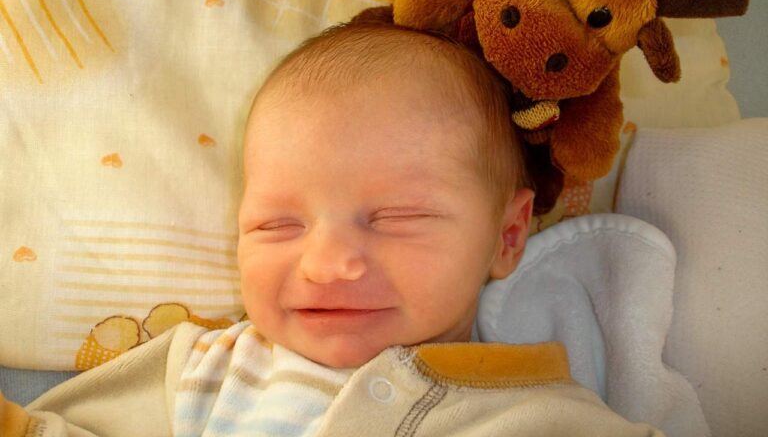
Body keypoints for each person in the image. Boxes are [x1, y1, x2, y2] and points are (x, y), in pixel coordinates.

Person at [0, 22, 664, 436]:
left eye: (397, 218)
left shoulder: (538, 416)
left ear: (508, 236)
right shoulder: (206, 372)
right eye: (276, 224)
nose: (326, 264)